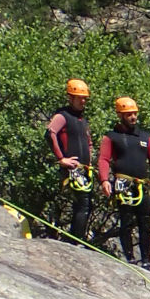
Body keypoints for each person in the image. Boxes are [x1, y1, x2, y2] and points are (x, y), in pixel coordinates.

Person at [97, 97, 150, 268]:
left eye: (135, 113)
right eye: (129, 114)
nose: (133, 117)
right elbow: (104, 159)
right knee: (126, 221)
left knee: (145, 222)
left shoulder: (145, 136)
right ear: (120, 115)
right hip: (124, 184)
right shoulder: (112, 137)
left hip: (141, 185)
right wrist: (104, 180)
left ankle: (146, 260)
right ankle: (130, 258)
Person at [45, 78, 94, 241]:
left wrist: (90, 162)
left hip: (83, 169)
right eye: (80, 98)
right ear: (70, 98)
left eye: (85, 98)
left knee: (85, 204)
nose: (83, 101)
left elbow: (88, 142)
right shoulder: (62, 116)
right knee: (83, 203)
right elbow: (50, 133)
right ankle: (75, 240)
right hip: (72, 168)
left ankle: (74, 238)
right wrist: (61, 159)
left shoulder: (82, 120)